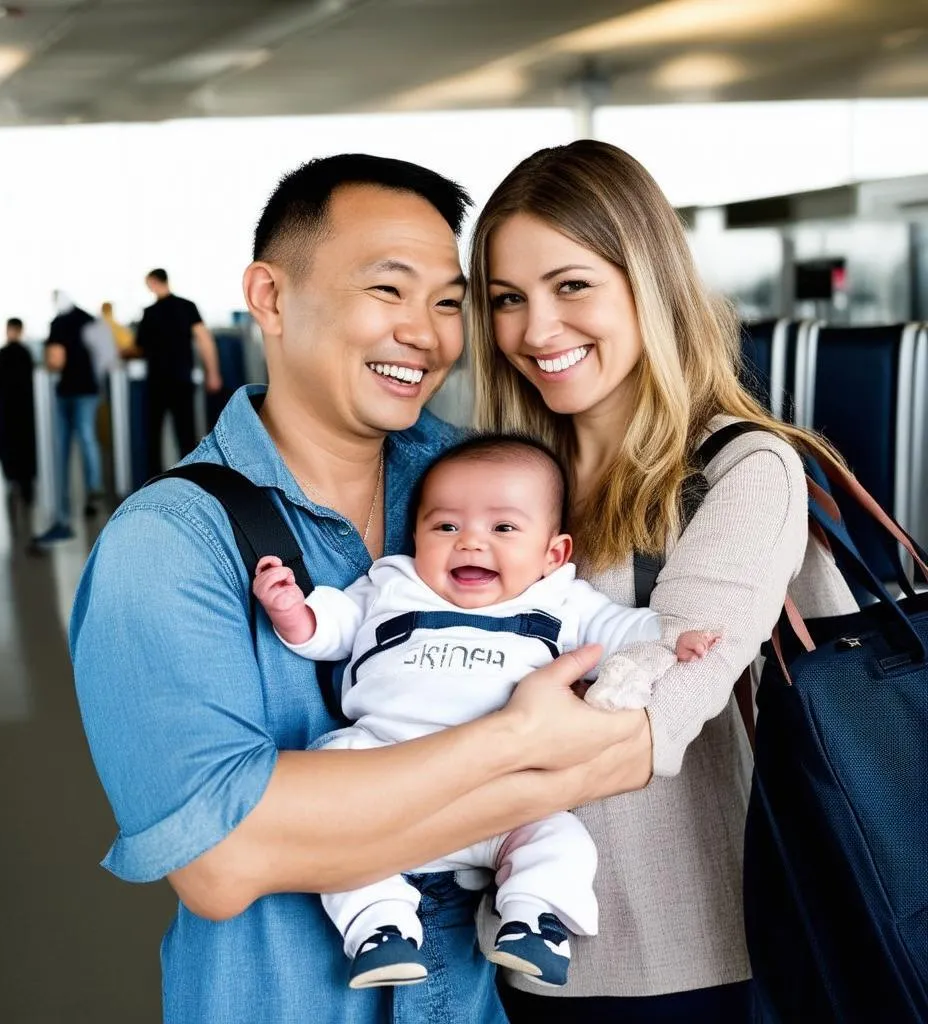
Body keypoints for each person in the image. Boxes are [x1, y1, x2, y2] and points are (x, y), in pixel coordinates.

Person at [70, 154, 653, 1024]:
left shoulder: (480, 486)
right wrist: (519, 741)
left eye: (449, 301)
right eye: (389, 290)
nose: (426, 333)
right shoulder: (166, 547)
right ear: (269, 297)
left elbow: (635, 745)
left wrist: (314, 821)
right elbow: (224, 862)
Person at [466, 139, 859, 1022]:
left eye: (572, 286)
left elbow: (649, 726)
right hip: (518, 954)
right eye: (507, 300)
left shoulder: (742, 470)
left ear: (646, 280)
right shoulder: (501, 488)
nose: (536, 330)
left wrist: (425, 779)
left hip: (689, 964)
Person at [253, 434, 718, 991]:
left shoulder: (560, 598)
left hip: (504, 801)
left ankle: (532, 919)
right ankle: (381, 928)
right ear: (417, 535)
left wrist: (670, 637)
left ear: (554, 554)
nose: (470, 542)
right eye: (445, 526)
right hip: (385, 771)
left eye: (503, 528)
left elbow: (620, 628)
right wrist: (293, 611)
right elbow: (333, 628)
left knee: (560, 839)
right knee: (331, 800)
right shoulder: (392, 583)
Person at [135, 268, 222, 476]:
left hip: (156, 382)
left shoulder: (150, 313)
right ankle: (190, 481)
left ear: (154, 282)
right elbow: (204, 340)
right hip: (181, 379)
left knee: (152, 437)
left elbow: (139, 347)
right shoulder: (187, 306)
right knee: (186, 435)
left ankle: (153, 485)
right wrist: (213, 372)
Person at [34, 291, 105, 543]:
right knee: (88, 438)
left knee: (62, 447)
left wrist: (46, 365)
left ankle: (61, 508)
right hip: (90, 390)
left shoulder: (58, 323)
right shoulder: (89, 319)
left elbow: (56, 359)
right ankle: (93, 488)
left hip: (68, 391)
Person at [0, 317, 36, 510]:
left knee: (10, 450)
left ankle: (12, 480)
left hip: (7, 413)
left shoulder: (4, 354)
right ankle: (26, 488)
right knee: (26, 451)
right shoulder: (26, 354)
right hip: (25, 413)